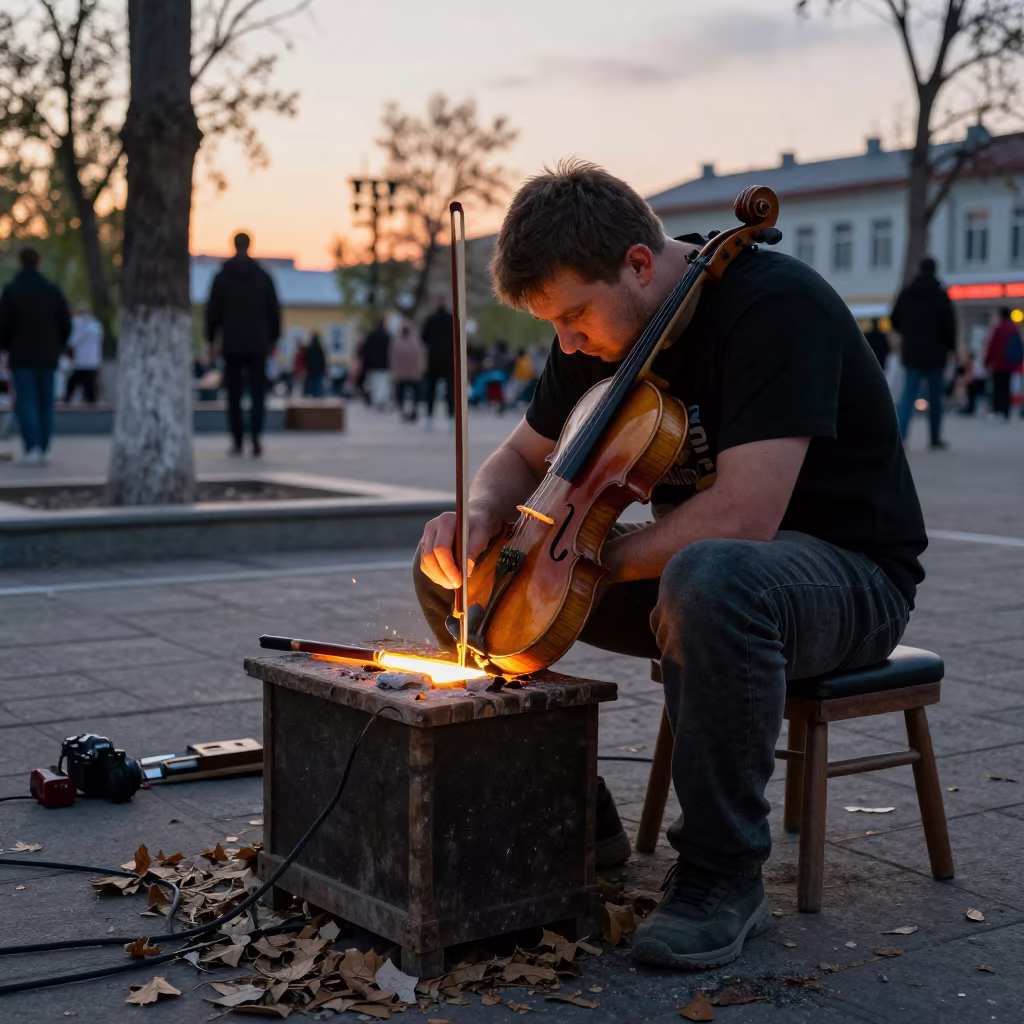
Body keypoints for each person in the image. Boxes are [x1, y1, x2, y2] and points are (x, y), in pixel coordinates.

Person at [414, 161, 926, 971]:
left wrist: (588, 557)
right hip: (711, 572)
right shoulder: (597, 335)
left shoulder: (774, 308)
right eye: (555, 325)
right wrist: (480, 520)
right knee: (463, 574)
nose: (569, 342)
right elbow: (517, 456)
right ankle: (579, 821)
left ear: (639, 265)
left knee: (711, 577)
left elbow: (745, 516)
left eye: (575, 316)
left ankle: (725, 877)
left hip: (849, 576)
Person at [205, 232, 281, 457]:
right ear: (250, 245)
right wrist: (273, 339)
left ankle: (238, 440)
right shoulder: (263, 277)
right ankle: (256, 438)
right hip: (258, 344)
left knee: (234, 394)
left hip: (232, 344)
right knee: (258, 394)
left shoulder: (222, 277)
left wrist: (211, 339)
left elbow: (213, 312)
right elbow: (274, 312)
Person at [0, 247, 71, 465]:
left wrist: (5, 347)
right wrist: (58, 344)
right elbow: (65, 322)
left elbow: (4, 325)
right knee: (46, 402)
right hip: (48, 355)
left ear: (20, 262)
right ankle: (44, 447)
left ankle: (32, 448)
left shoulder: (13, 290)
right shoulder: (51, 290)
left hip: (21, 356)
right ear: (38, 262)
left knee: (26, 402)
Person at [891, 257, 956, 449]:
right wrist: (950, 348)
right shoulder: (940, 295)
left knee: (908, 396)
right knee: (935, 398)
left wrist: (909, 333)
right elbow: (949, 326)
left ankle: (901, 437)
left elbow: (895, 320)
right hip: (936, 354)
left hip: (912, 353)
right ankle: (934, 438)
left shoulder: (907, 293)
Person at [983, 307, 1023, 420]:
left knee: (997, 387)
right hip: (1010, 364)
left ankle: (997, 409)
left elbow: (992, 345)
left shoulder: (999, 328)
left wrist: (987, 361)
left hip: (998, 363)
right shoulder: (1014, 328)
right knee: (1006, 387)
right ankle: (1006, 410)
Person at [421, 297, 455, 429]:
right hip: (449, 359)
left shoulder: (431, 319)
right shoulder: (451, 319)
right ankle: (451, 418)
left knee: (431, 389)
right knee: (450, 390)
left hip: (434, 358)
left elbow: (424, 338)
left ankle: (430, 418)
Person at [64, 302, 103, 404]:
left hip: (83, 362)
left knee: (75, 382)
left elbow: (73, 341)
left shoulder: (80, 324)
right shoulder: (96, 325)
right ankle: (91, 401)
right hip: (91, 361)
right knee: (87, 384)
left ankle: (69, 399)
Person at [390, 321, 426, 422]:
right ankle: (408, 410)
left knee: (406, 393)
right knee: (408, 392)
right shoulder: (414, 341)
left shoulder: (398, 342)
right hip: (410, 373)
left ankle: (408, 411)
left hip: (406, 373)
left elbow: (393, 358)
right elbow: (420, 356)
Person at [361, 318, 392, 411]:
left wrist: (366, 365)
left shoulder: (371, 336)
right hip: (383, 364)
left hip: (372, 364)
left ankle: (375, 400)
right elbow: (390, 351)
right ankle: (380, 401)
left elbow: (365, 351)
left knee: (374, 383)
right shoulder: (387, 336)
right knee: (382, 384)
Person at [303, 332, 327, 398]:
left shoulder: (309, 348)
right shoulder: (320, 349)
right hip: (318, 371)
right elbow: (323, 361)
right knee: (318, 388)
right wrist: (324, 369)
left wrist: (306, 368)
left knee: (311, 387)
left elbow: (306, 360)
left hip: (310, 370)